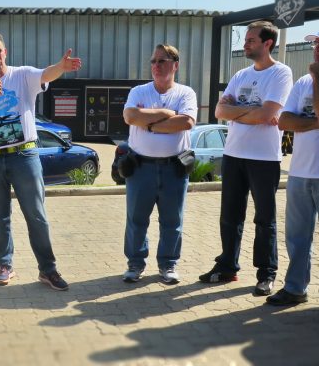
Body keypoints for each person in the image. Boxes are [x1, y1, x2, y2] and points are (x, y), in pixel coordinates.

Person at [0, 32, 81, 291]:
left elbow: (46, 74)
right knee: (0, 218)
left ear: (5, 52)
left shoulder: (22, 75)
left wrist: (61, 67)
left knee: (36, 215)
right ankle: (4, 265)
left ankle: (48, 270)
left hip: (24, 156)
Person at [199, 21, 293, 296]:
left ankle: (266, 274)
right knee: (230, 216)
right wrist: (252, 112)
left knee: (264, 219)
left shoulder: (280, 73)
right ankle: (227, 267)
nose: (245, 44)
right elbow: (219, 111)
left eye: (251, 40)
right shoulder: (240, 75)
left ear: (267, 43)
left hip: (264, 159)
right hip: (233, 155)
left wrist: (238, 111)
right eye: (246, 39)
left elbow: (267, 115)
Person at [121, 44, 198, 285]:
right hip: (140, 168)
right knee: (136, 220)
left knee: (172, 221)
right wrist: (168, 113)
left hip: (174, 168)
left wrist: (149, 123)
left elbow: (185, 123)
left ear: (175, 65)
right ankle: (135, 264)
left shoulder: (186, 93)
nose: (156, 65)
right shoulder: (138, 91)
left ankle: (168, 264)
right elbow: (130, 117)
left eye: (162, 61)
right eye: (153, 61)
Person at [267, 32, 319, 306]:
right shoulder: (302, 82)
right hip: (299, 173)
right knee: (297, 238)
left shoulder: (312, 79)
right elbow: (285, 121)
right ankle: (296, 288)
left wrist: (317, 76)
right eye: (316, 43)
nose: (317, 48)